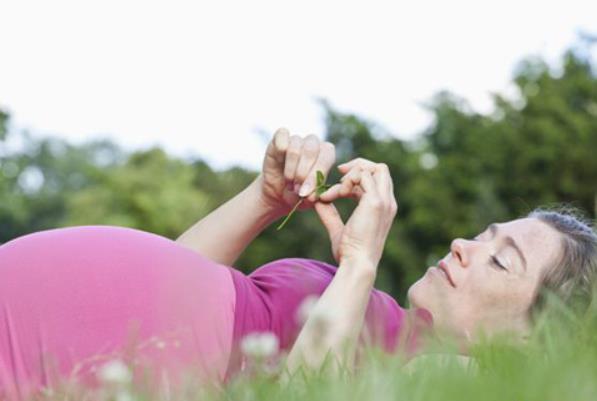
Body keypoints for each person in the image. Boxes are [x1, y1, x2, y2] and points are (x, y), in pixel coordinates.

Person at [0, 128, 595, 399]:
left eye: (500, 261)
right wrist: (265, 200)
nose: (466, 245)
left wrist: (360, 263)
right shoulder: (380, 318)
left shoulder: (440, 382)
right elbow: (174, 286)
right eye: (486, 235)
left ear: (532, 341)